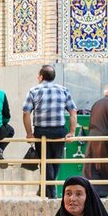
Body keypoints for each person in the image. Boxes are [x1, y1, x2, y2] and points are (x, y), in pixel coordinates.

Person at [22, 65, 77, 199]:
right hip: (59, 131)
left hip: (41, 132)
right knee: (55, 161)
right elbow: (73, 112)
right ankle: (45, 189)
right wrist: (72, 132)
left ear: (41, 76)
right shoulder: (63, 90)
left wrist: (29, 134)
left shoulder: (34, 90)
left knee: (45, 162)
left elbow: (26, 113)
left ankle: (50, 191)